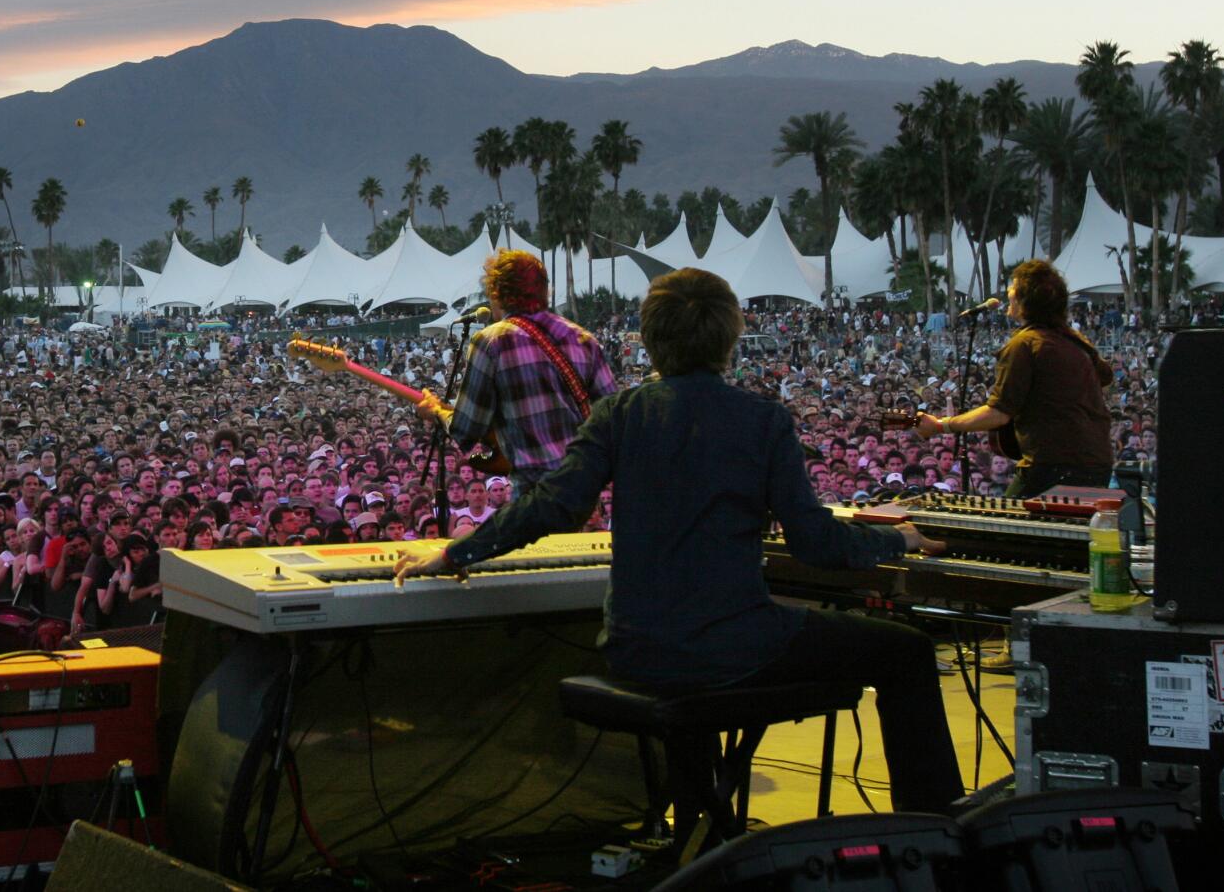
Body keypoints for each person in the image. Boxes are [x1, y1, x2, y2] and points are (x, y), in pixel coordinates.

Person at [396, 267, 963, 814]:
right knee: (907, 652)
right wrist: (898, 541)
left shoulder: (619, 415)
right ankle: (938, 830)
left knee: (721, 649)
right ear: (730, 339)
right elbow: (816, 544)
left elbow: (551, 504)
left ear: (649, 341)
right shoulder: (762, 421)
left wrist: (452, 551)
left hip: (634, 647)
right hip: (734, 646)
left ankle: (699, 823)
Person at [915, 259, 1113, 497]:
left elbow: (998, 413)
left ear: (1025, 298)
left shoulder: (1025, 344)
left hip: (1053, 466)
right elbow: (1105, 377)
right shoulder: (1075, 341)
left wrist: (940, 425)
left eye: (1013, 286)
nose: (1009, 291)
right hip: (1098, 464)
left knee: (1007, 527)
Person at [420, 250, 618, 485]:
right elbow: (613, 418)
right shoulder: (582, 338)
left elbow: (467, 430)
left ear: (497, 293)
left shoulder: (492, 342)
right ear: (545, 290)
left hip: (535, 492)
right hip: (585, 488)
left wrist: (436, 411)